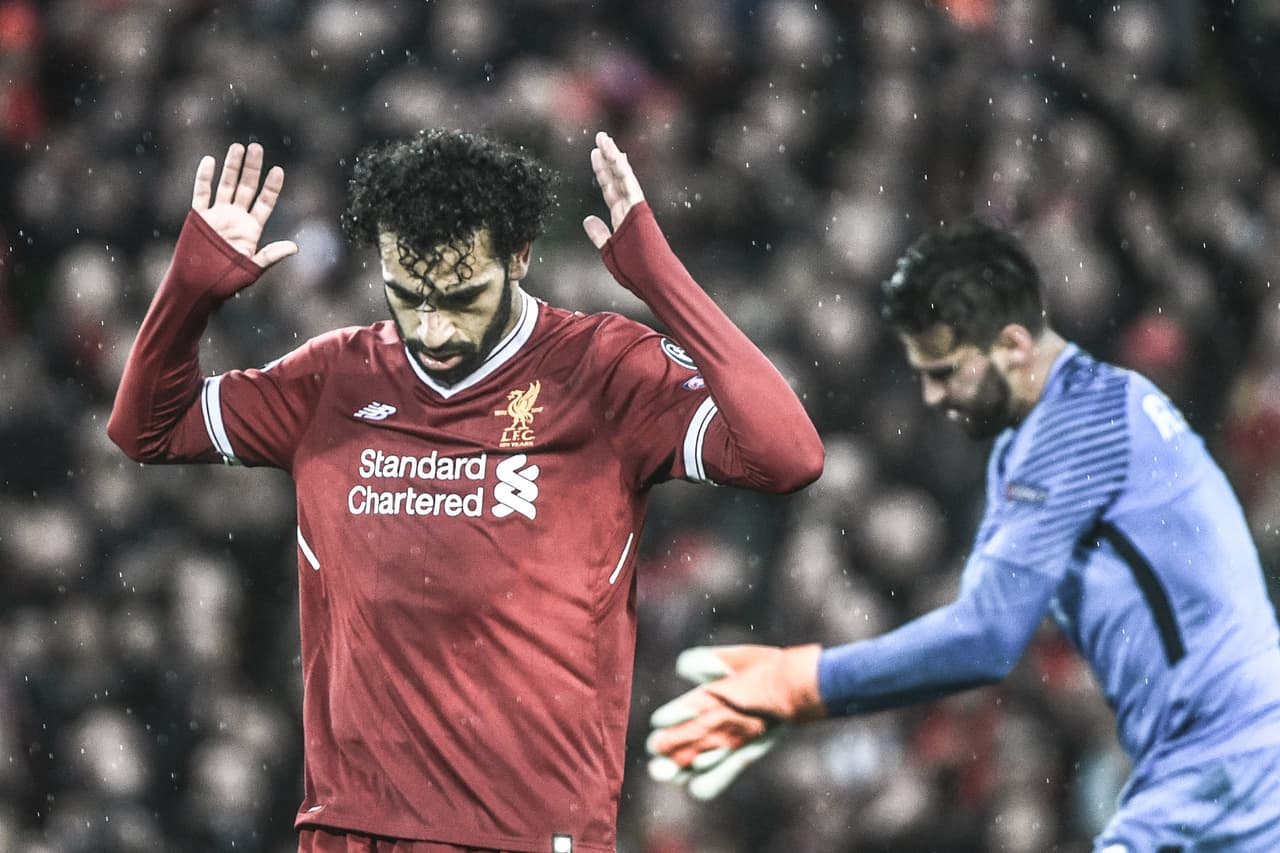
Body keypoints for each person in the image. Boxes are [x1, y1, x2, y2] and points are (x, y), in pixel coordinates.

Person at [107, 130, 824, 853]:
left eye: (461, 297)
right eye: (408, 296)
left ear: (520, 257)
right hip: (350, 830)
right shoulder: (335, 379)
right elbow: (147, 429)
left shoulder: (601, 372)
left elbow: (787, 455)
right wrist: (189, 293)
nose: (433, 327)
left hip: (526, 835)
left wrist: (665, 281)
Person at [645, 219, 1280, 851]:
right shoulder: (1066, 421)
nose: (930, 395)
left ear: (1011, 345)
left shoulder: (1078, 432)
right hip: (1213, 765)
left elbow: (986, 639)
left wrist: (797, 685)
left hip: (1226, 769)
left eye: (946, 371)